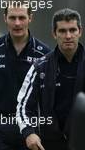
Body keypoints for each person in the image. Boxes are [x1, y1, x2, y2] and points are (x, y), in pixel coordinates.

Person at [0, 0, 50, 150]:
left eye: (22, 18)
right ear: (5, 18)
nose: (17, 23)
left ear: (30, 18)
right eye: (12, 18)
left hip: (31, 130)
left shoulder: (44, 54)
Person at [16, 8, 85, 150]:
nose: (68, 36)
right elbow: (23, 107)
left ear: (80, 31)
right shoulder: (39, 67)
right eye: (62, 31)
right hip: (50, 144)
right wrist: (29, 133)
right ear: (54, 33)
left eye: (72, 30)